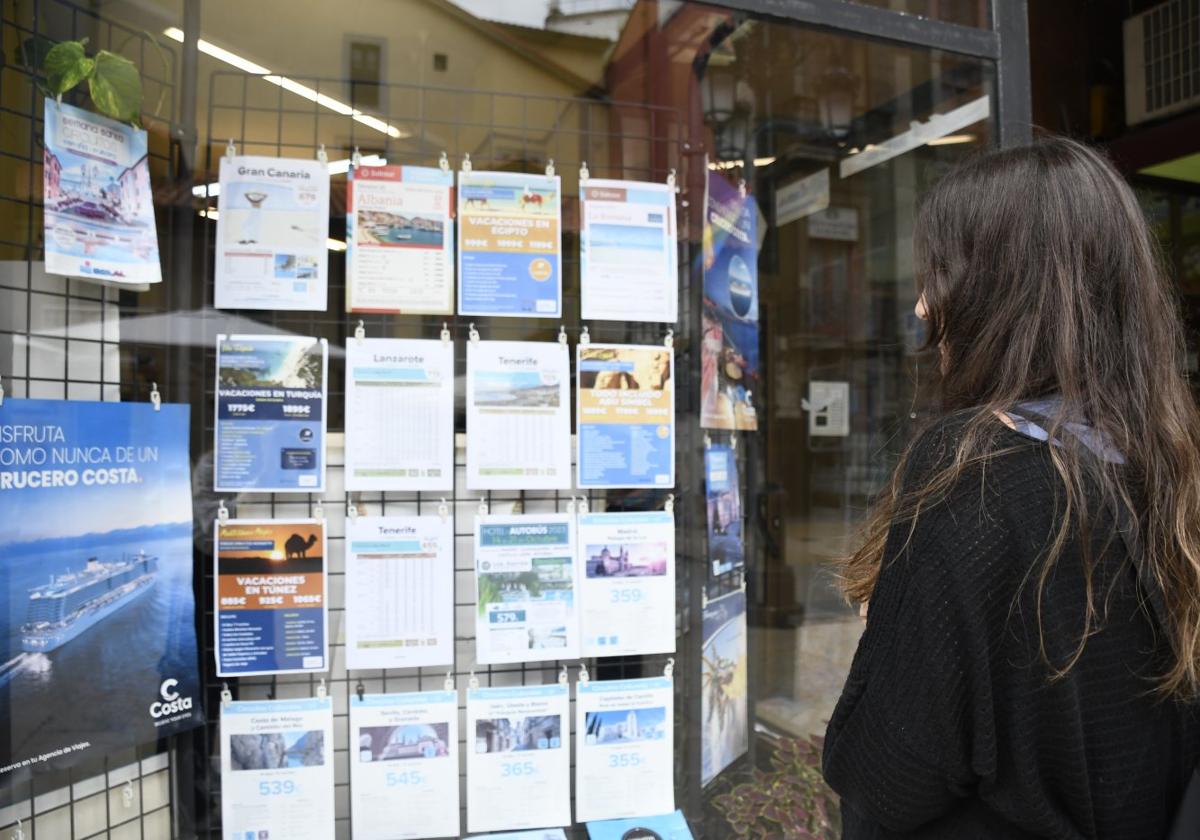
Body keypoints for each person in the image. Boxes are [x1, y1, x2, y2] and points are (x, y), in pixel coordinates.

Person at [822, 137, 1200, 839]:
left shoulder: (973, 476)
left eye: (937, 274)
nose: (923, 306)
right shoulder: (1166, 468)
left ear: (993, 292)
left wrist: (895, 630)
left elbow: (883, 778)